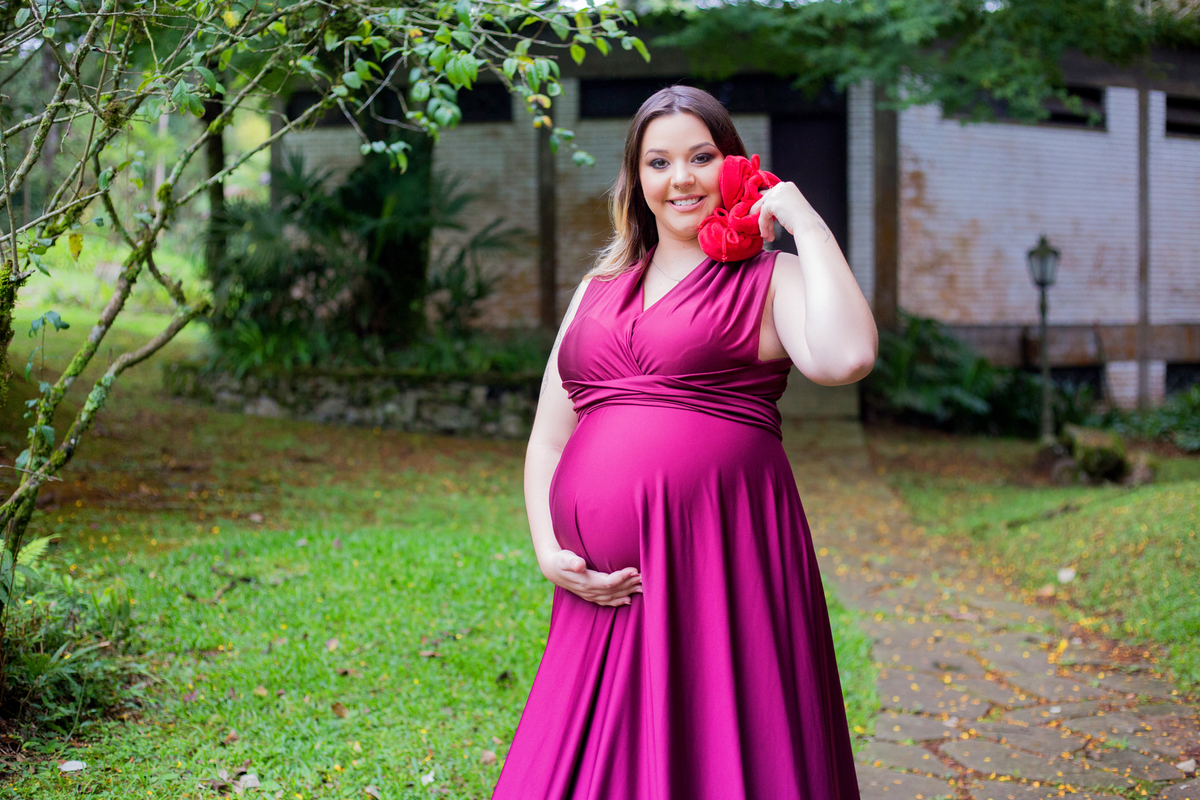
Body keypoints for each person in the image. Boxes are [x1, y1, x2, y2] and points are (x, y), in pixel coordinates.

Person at [492, 85, 878, 800]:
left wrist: (804, 222)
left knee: (722, 741)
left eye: (701, 157)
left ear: (733, 165)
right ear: (636, 179)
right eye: (659, 162)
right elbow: (548, 439)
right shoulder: (596, 288)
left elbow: (847, 356)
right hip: (601, 592)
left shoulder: (771, 279)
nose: (682, 179)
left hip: (720, 560)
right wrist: (550, 552)